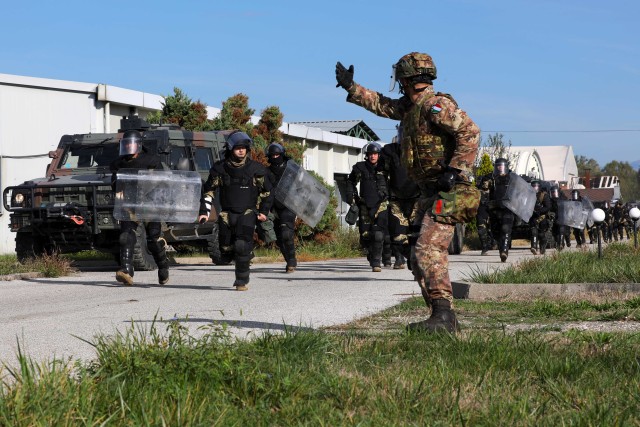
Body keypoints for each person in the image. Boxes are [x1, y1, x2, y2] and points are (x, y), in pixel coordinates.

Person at [336, 52, 480, 332]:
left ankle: (444, 315)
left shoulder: (436, 105)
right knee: (415, 253)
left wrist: (455, 169)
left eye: (401, 77)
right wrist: (352, 88)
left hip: (452, 190)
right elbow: (380, 104)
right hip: (430, 191)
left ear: (407, 78)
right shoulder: (411, 108)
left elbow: (470, 132)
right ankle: (442, 316)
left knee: (428, 247)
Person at [198, 131, 272, 291]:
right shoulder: (220, 169)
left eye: (244, 148)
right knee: (225, 249)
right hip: (226, 214)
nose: (241, 151)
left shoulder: (256, 169)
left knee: (241, 244)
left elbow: (267, 193)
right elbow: (208, 191)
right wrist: (204, 211)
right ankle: (243, 257)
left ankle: (241, 280)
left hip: (247, 212)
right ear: (231, 149)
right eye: (238, 148)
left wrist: (263, 211)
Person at [110, 130, 170, 286]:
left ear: (139, 145)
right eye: (127, 144)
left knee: (154, 241)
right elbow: (115, 183)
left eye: (132, 143)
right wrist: (118, 190)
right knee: (125, 236)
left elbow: (164, 182)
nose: (129, 146)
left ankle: (163, 267)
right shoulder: (119, 164)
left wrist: (159, 200)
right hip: (130, 204)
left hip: (150, 204)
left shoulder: (151, 161)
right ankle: (126, 271)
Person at [379, 130, 420, 270]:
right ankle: (411, 257)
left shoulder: (421, 152)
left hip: (417, 200)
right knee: (397, 237)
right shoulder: (389, 152)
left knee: (418, 236)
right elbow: (380, 173)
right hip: (396, 200)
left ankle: (418, 264)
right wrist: (383, 189)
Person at [346, 142, 389, 272]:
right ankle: (371, 254)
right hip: (365, 205)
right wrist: (352, 196)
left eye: (375, 154)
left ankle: (376, 263)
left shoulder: (385, 168)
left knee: (379, 235)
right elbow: (350, 182)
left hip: (381, 205)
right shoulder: (360, 168)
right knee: (365, 236)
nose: (373, 156)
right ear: (367, 156)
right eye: (370, 154)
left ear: (379, 155)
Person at [265, 142, 298, 273]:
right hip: (273, 207)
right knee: (279, 239)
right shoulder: (266, 171)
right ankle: (289, 259)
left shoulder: (292, 169)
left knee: (286, 234)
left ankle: (291, 261)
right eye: (272, 155)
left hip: (288, 206)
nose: (275, 157)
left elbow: (303, 187)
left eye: (277, 154)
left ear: (282, 154)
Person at [476, 158, 515, 261]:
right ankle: (501, 249)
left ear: (506, 166)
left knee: (506, 229)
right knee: (496, 232)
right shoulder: (489, 177)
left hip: (508, 208)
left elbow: (520, 193)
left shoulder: (512, 178)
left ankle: (504, 251)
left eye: (502, 166)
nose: (500, 167)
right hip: (494, 209)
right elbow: (483, 192)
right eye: (498, 165)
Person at [529, 179, 551, 255]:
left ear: (539, 187)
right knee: (533, 232)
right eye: (533, 186)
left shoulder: (544, 195)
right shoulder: (528, 195)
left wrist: (539, 210)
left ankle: (543, 246)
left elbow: (547, 207)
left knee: (541, 234)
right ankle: (534, 247)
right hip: (533, 216)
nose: (535, 188)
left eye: (536, 186)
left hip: (542, 217)